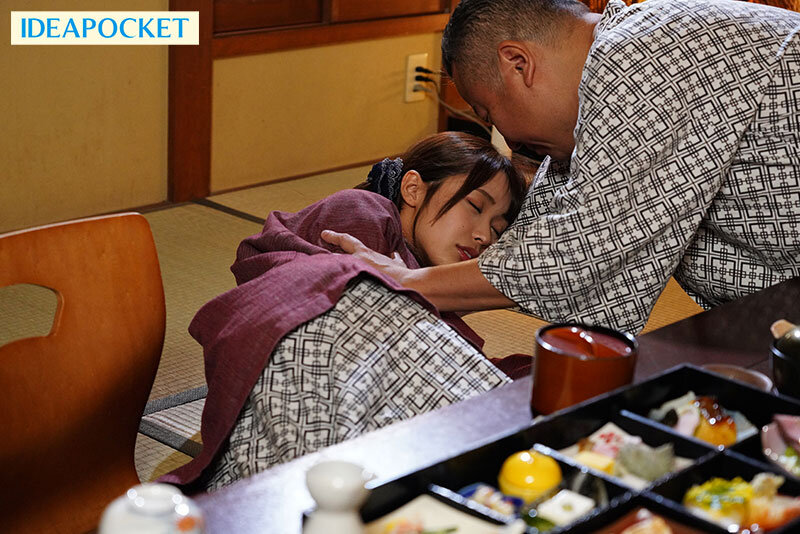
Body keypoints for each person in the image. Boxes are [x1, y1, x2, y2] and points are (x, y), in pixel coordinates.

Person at [323, 0, 800, 335]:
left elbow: (580, 249)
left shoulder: (636, 55)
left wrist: (408, 281)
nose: (506, 137)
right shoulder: (615, 71)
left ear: (518, 64)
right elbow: (546, 231)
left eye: (488, 113)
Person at [160, 132, 528, 490]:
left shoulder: (424, 271)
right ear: (413, 189)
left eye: (498, 228)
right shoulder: (361, 210)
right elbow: (350, 320)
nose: (484, 236)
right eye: (475, 207)